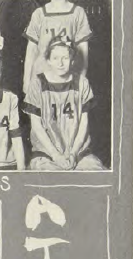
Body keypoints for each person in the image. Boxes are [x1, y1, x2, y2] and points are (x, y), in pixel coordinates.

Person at [23, 36, 104, 170]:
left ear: (72, 60)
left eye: (65, 58)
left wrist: (73, 153)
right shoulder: (37, 83)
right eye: (55, 58)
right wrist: (56, 156)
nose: (60, 63)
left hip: (78, 150)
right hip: (47, 152)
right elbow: (36, 126)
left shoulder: (82, 83)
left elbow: (84, 123)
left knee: (94, 173)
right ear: (48, 60)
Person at [23, 0, 92, 95]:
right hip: (41, 75)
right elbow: (31, 50)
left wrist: (81, 79)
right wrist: (26, 81)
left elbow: (83, 52)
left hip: (68, 77)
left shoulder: (78, 13)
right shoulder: (39, 13)